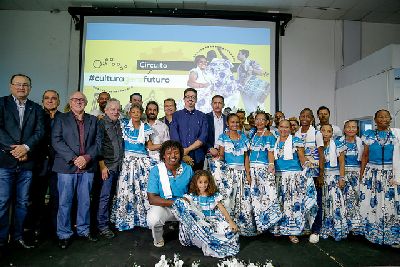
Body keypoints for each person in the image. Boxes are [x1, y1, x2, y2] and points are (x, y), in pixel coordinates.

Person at [0, 74, 44, 250]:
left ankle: (18, 237)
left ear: (30, 88)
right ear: (11, 86)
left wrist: (25, 147)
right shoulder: (1, 104)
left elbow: (39, 132)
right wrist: (14, 149)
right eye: (18, 84)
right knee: (2, 202)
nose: (21, 87)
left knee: (23, 203)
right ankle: (2, 240)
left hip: (26, 164)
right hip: (5, 162)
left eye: (25, 85)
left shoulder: (36, 108)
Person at [52, 91, 101, 249]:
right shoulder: (60, 119)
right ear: (70, 102)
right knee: (65, 202)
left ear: (86, 103)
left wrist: (86, 158)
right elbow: (56, 140)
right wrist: (75, 159)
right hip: (66, 167)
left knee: (85, 201)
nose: (78, 101)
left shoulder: (93, 120)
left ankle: (83, 230)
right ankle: (64, 234)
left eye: (81, 99)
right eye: (75, 99)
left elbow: (98, 143)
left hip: (87, 167)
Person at [172, 170, 239, 258]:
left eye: (205, 182)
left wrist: (230, 221)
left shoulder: (213, 196)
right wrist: (182, 202)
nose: (203, 185)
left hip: (212, 219)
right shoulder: (192, 196)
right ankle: (202, 238)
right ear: (195, 183)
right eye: (200, 182)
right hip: (199, 221)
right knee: (187, 214)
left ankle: (213, 241)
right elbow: (185, 200)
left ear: (209, 182)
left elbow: (222, 208)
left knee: (228, 230)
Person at [111, 103, 157, 231]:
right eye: (133, 112)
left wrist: (165, 145)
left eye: (138, 112)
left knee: (142, 190)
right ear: (130, 113)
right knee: (126, 190)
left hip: (141, 162)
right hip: (127, 162)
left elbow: (150, 146)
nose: (136, 114)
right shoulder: (124, 125)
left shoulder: (145, 127)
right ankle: (125, 219)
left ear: (141, 113)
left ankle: (143, 218)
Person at [359, 109, 400, 247]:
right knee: (373, 204)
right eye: (380, 117)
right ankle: (373, 234)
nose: (383, 119)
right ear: (375, 120)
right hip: (372, 174)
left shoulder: (396, 134)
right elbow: (365, 156)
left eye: (386, 117)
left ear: (390, 119)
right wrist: (362, 174)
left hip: (390, 174)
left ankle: (390, 235)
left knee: (390, 204)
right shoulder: (368, 135)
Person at [273, 120, 317, 243]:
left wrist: (307, 164)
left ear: (290, 128)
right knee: (281, 205)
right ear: (278, 128)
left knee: (292, 205)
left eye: (286, 127)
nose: (284, 129)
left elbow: (302, 157)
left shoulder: (296, 140)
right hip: (278, 177)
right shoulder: (274, 141)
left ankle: (292, 232)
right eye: (281, 127)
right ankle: (280, 229)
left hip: (293, 177)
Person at [213, 113, 256, 236]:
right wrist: (216, 160)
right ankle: (229, 225)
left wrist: (248, 174)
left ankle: (243, 227)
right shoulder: (223, 137)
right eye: (232, 122)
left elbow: (246, 157)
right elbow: (221, 156)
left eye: (237, 122)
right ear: (227, 123)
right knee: (229, 200)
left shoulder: (244, 138)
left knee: (243, 200)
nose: (235, 124)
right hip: (228, 174)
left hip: (241, 173)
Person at [147, 140, 194, 247]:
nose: (173, 156)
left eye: (176, 153)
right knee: (153, 219)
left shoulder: (188, 169)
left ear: (181, 154)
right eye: (168, 153)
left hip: (184, 207)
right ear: (163, 156)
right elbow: (152, 199)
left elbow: (193, 192)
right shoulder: (156, 170)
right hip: (164, 206)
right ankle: (158, 239)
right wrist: (176, 202)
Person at [28, 89, 61, 240]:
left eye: (53, 98)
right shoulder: (36, 115)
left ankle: (54, 229)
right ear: (42, 101)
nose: (50, 100)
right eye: (47, 98)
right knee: (37, 199)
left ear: (58, 101)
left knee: (57, 199)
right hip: (39, 164)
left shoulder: (64, 118)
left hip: (59, 165)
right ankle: (36, 229)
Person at [295, 108, 324, 243]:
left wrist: (321, 174)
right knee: (302, 200)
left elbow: (321, 154)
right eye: (303, 116)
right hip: (300, 173)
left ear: (312, 119)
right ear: (300, 118)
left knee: (316, 202)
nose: (305, 118)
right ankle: (305, 227)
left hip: (314, 172)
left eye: (308, 116)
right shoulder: (296, 133)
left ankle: (316, 230)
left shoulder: (317, 133)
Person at [249, 111, 281, 232]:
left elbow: (271, 153)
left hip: (263, 169)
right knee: (255, 197)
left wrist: (271, 166)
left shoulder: (269, 135)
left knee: (268, 196)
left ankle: (272, 226)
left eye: (262, 120)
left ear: (267, 122)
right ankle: (259, 226)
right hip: (252, 169)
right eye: (257, 119)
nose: (259, 122)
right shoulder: (252, 134)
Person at [96, 99, 124, 239]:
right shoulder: (101, 123)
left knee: (112, 197)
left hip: (119, 166)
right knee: (104, 197)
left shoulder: (120, 123)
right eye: (112, 109)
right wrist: (102, 166)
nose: (115, 111)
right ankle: (102, 226)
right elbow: (98, 145)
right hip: (107, 167)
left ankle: (108, 222)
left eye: (117, 109)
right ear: (105, 110)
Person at [319, 124, 348, 241]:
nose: (325, 133)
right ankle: (324, 228)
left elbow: (342, 163)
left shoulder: (337, 144)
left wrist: (341, 178)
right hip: (322, 177)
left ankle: (337, 228)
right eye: (323, 130)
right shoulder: (318, 145)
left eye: (328, 131)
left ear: (332, 133)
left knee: (335, 203)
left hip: (334, 177)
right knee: (324, 203)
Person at [170, 88, 208, 171]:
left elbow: (203, 137)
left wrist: (187, 150)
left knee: (197, 183)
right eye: (188, 97)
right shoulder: (176, 115)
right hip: (180, 156)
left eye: (193, 97)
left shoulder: (202, 116)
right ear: (184, 99)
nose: (190, 99)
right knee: (182, 183)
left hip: (198, 157)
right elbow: (174, 136)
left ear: (196, 100)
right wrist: (183, 154)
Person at [339, 120, 363, 234]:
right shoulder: (339, 142)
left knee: (358, 198)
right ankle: (348, 225)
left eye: (354, 127)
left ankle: (358, 225)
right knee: (346, 199)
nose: (351, 129)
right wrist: (342, 177)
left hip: (357, 173)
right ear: (344, 129)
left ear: (357, 130)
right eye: (348, 127)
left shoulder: (361, 142)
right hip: (344, 173)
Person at [237, 49, 270, 114]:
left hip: (254, 88)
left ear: (244, 55)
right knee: (249, 108)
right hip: (244, 90)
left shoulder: (252, 62)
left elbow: (261, 72)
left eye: (239, 54)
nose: (237, 55)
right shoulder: (239, 67)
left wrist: (252, 70)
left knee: (258, 106)